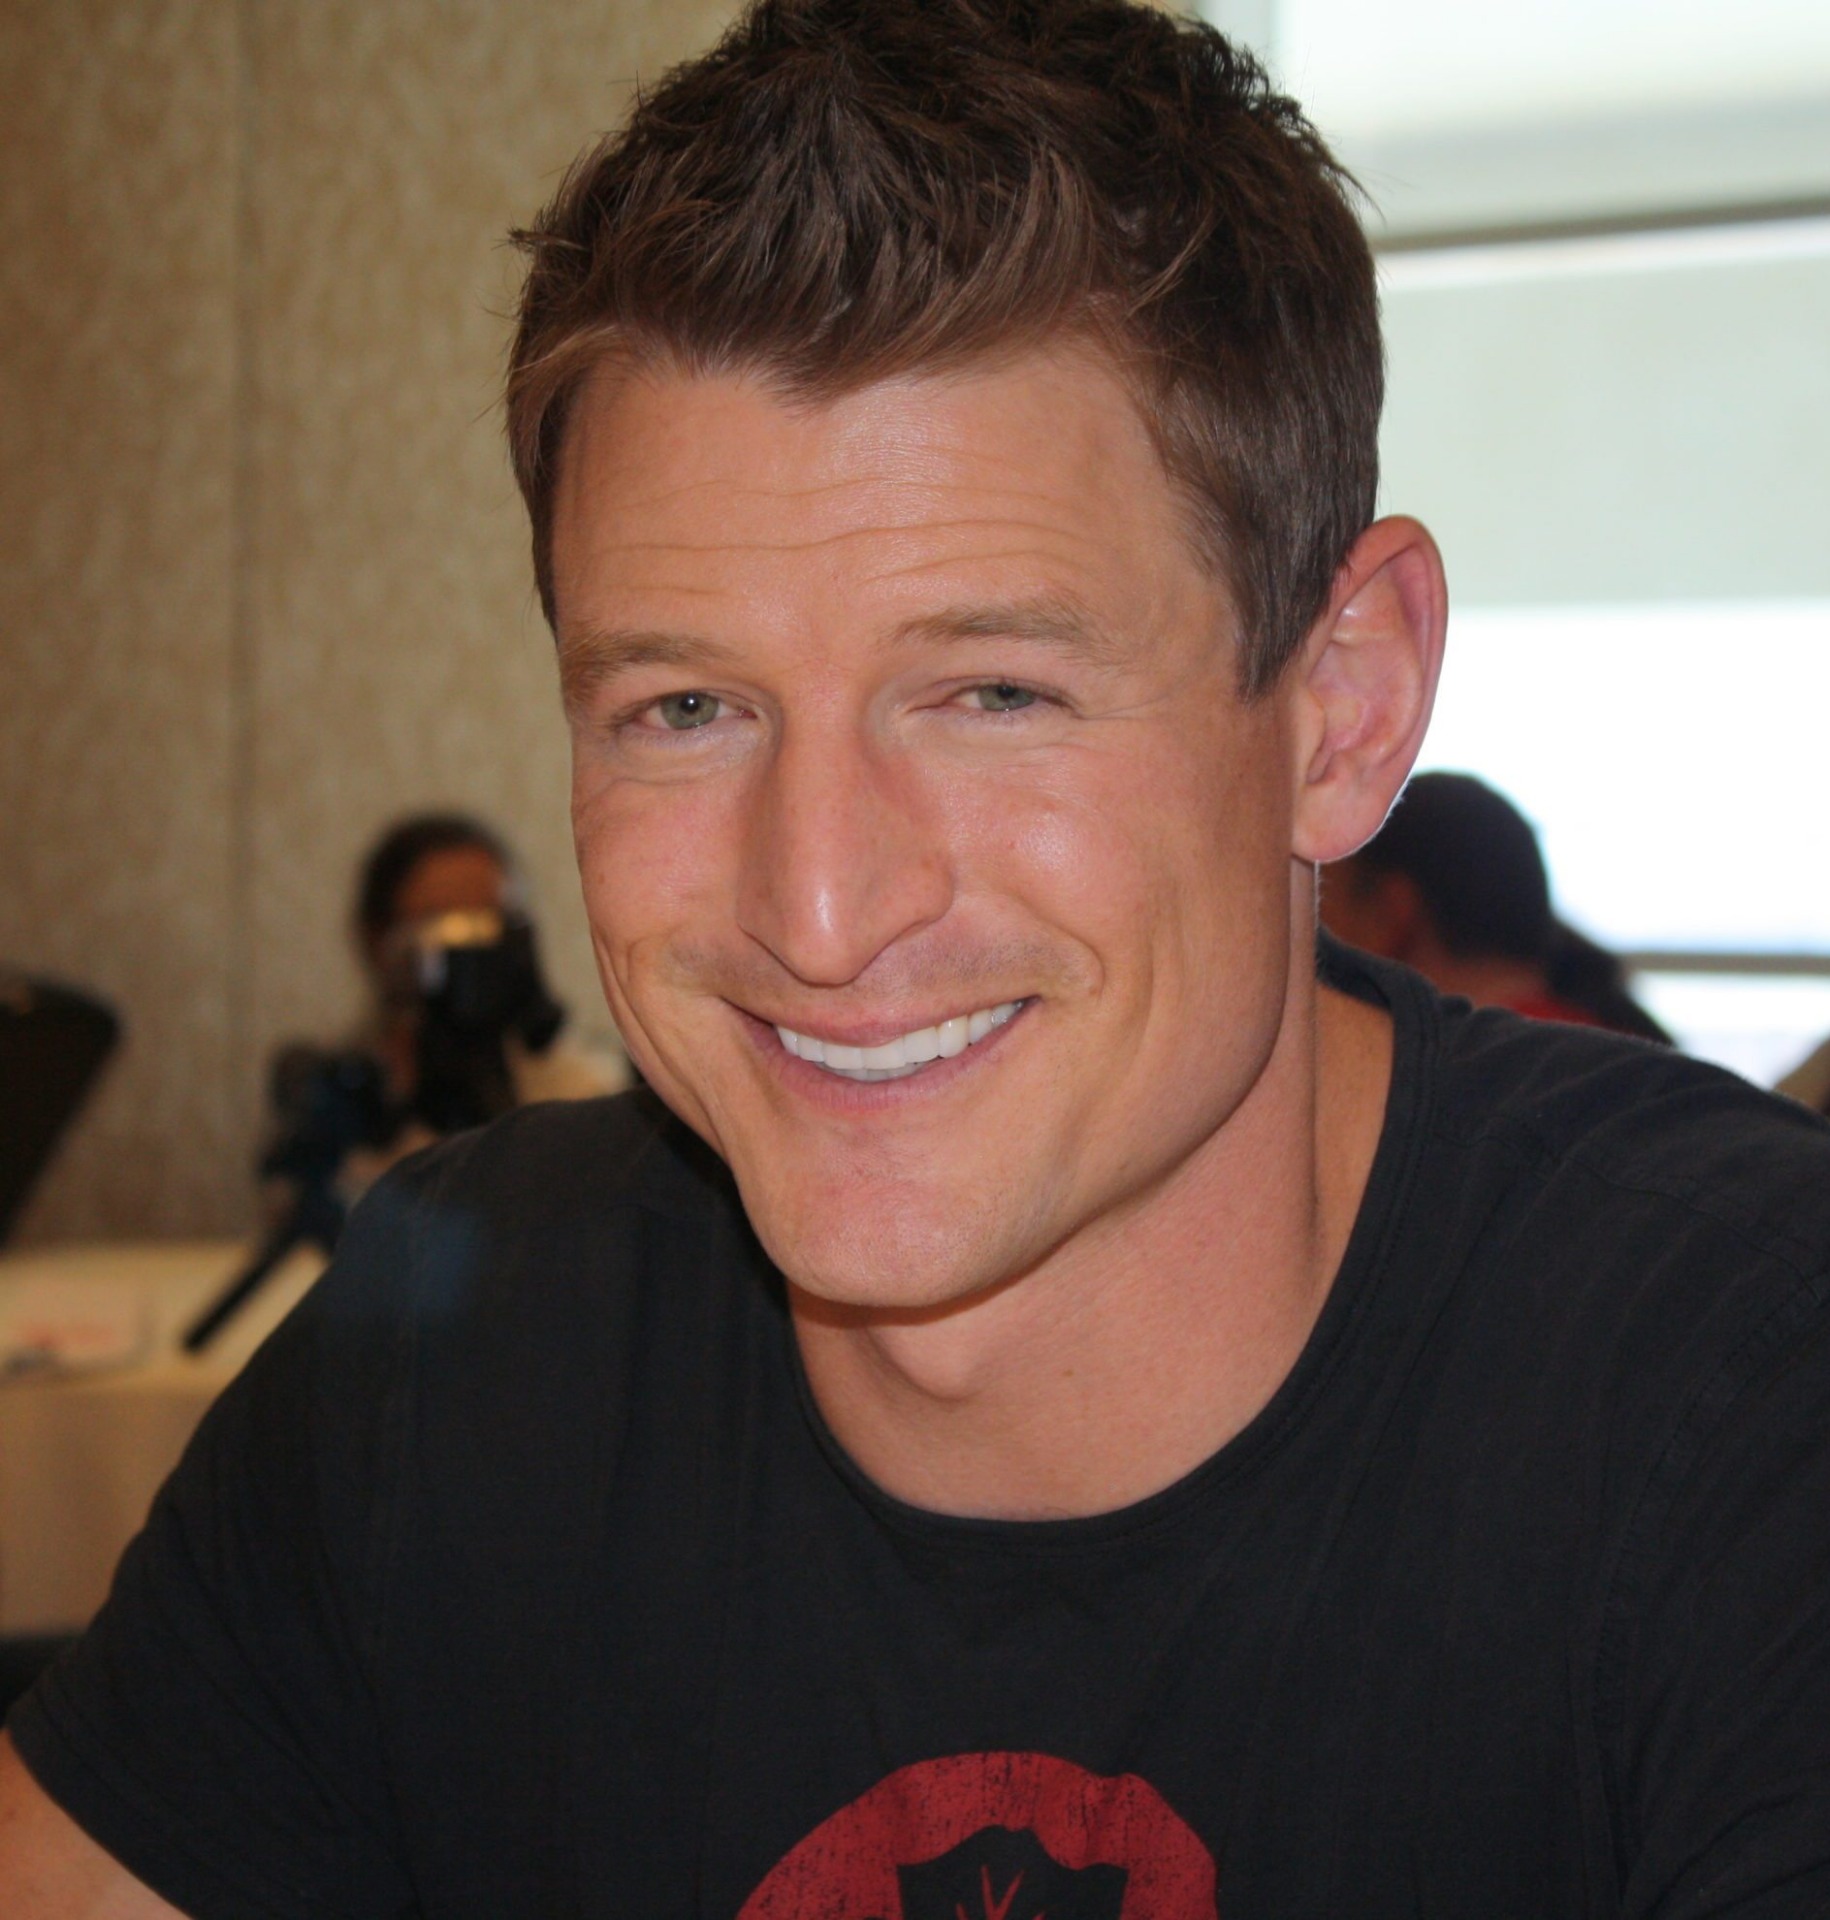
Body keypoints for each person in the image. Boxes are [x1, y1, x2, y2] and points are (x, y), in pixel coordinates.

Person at [5, 3, 1830, 1913]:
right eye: (687, 709)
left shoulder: (1741, 1395)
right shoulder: (453, 1368)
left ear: (1341, 710)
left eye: (992, 693)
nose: (818, 912)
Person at [1321, 769, 1671, 1040]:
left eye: (1323, 910)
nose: (1315, 941)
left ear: (1392, 913)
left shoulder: (1460, 1080)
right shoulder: (1605, 1049)